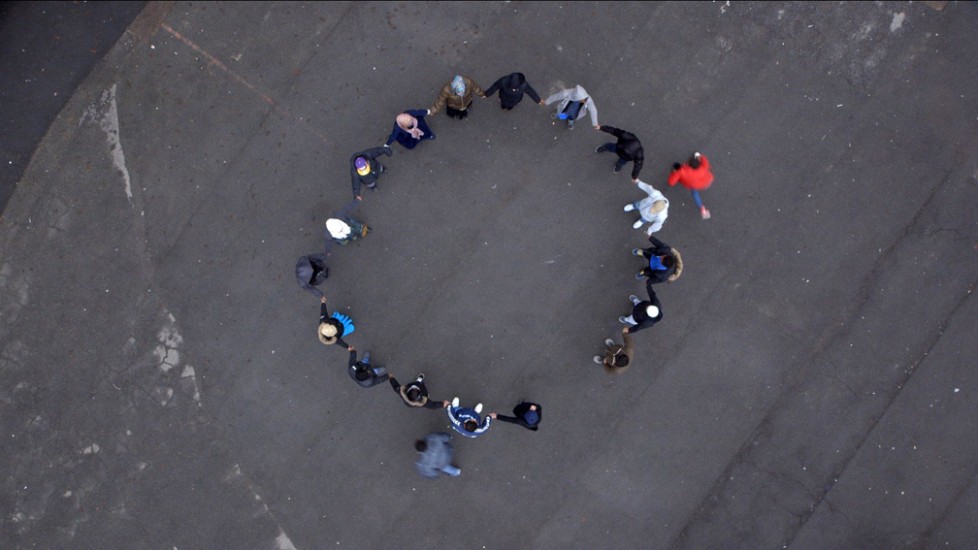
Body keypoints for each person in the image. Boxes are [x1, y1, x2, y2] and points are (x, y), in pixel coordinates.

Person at [668, 151, 714, 220]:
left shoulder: (683, 171)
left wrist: (675, 173)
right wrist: (699, 156)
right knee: (695, 192)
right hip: (707, 180)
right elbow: (704, 159)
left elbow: (671, 182)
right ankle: (702, 210)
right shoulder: (703, 166)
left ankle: (702, 208)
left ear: (689, 164)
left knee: (695, 192)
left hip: (695, 185)